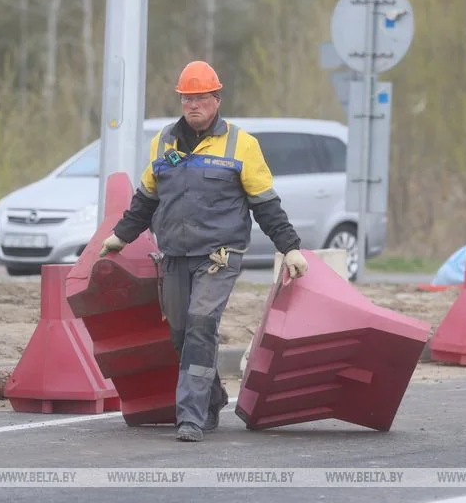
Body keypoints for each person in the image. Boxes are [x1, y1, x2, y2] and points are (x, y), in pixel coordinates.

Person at [99, 60, 309, 442]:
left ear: (216, 99)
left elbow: (265, 204)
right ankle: (212, 399)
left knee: (201, 322)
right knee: (181, 335)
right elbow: (147, 197)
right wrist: (121, 236)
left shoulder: (241, 144)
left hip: (219, 255)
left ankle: (191, 418)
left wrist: (291, 248)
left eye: (201, 98)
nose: (193, 104)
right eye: (187, 98)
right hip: (175, 255)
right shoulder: (163, 141)